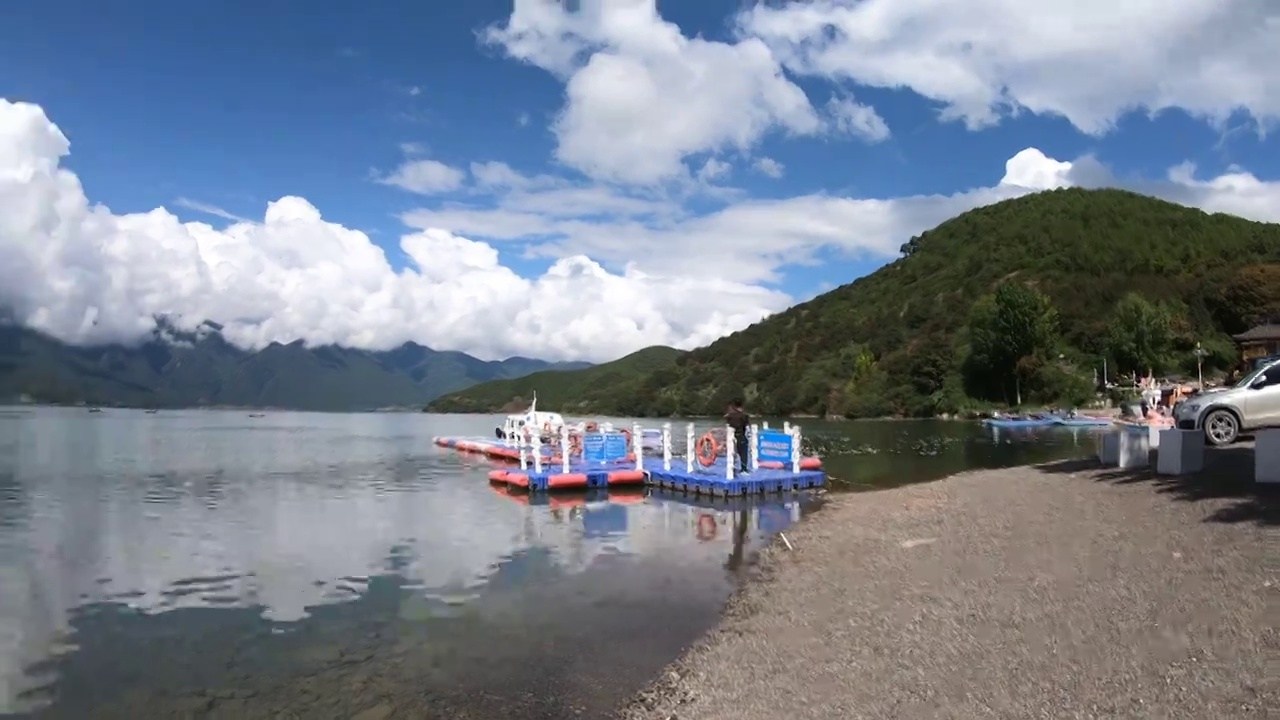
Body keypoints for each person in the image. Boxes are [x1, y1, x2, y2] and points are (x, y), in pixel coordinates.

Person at [723, 398, 751, 474]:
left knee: (732, 453)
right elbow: (747, 428)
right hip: (741, 436)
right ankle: (744, 469)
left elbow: (728, 425)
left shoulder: (729, 416)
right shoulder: (744, 415)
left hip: (731, 436)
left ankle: (732, 468)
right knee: (743, 454)